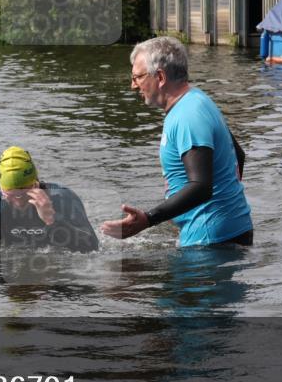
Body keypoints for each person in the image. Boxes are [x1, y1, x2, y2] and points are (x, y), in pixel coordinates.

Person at [100, 36, 253, 247]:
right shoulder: (196, 100)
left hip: (211, 241)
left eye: (138, 77)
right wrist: (228, 205)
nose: (133, 86)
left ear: (160, 77)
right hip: (223, 232)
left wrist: (148, 219)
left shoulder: (187, 115)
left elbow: (201, 186)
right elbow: (238, 155)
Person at [0, 146, 99, 253]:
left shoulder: (62, 198)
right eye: (10, 195)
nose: (18, 201)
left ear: (35, 183)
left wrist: (51, 220)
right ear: (2, 189)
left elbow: (92, 246)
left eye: (25, 193)